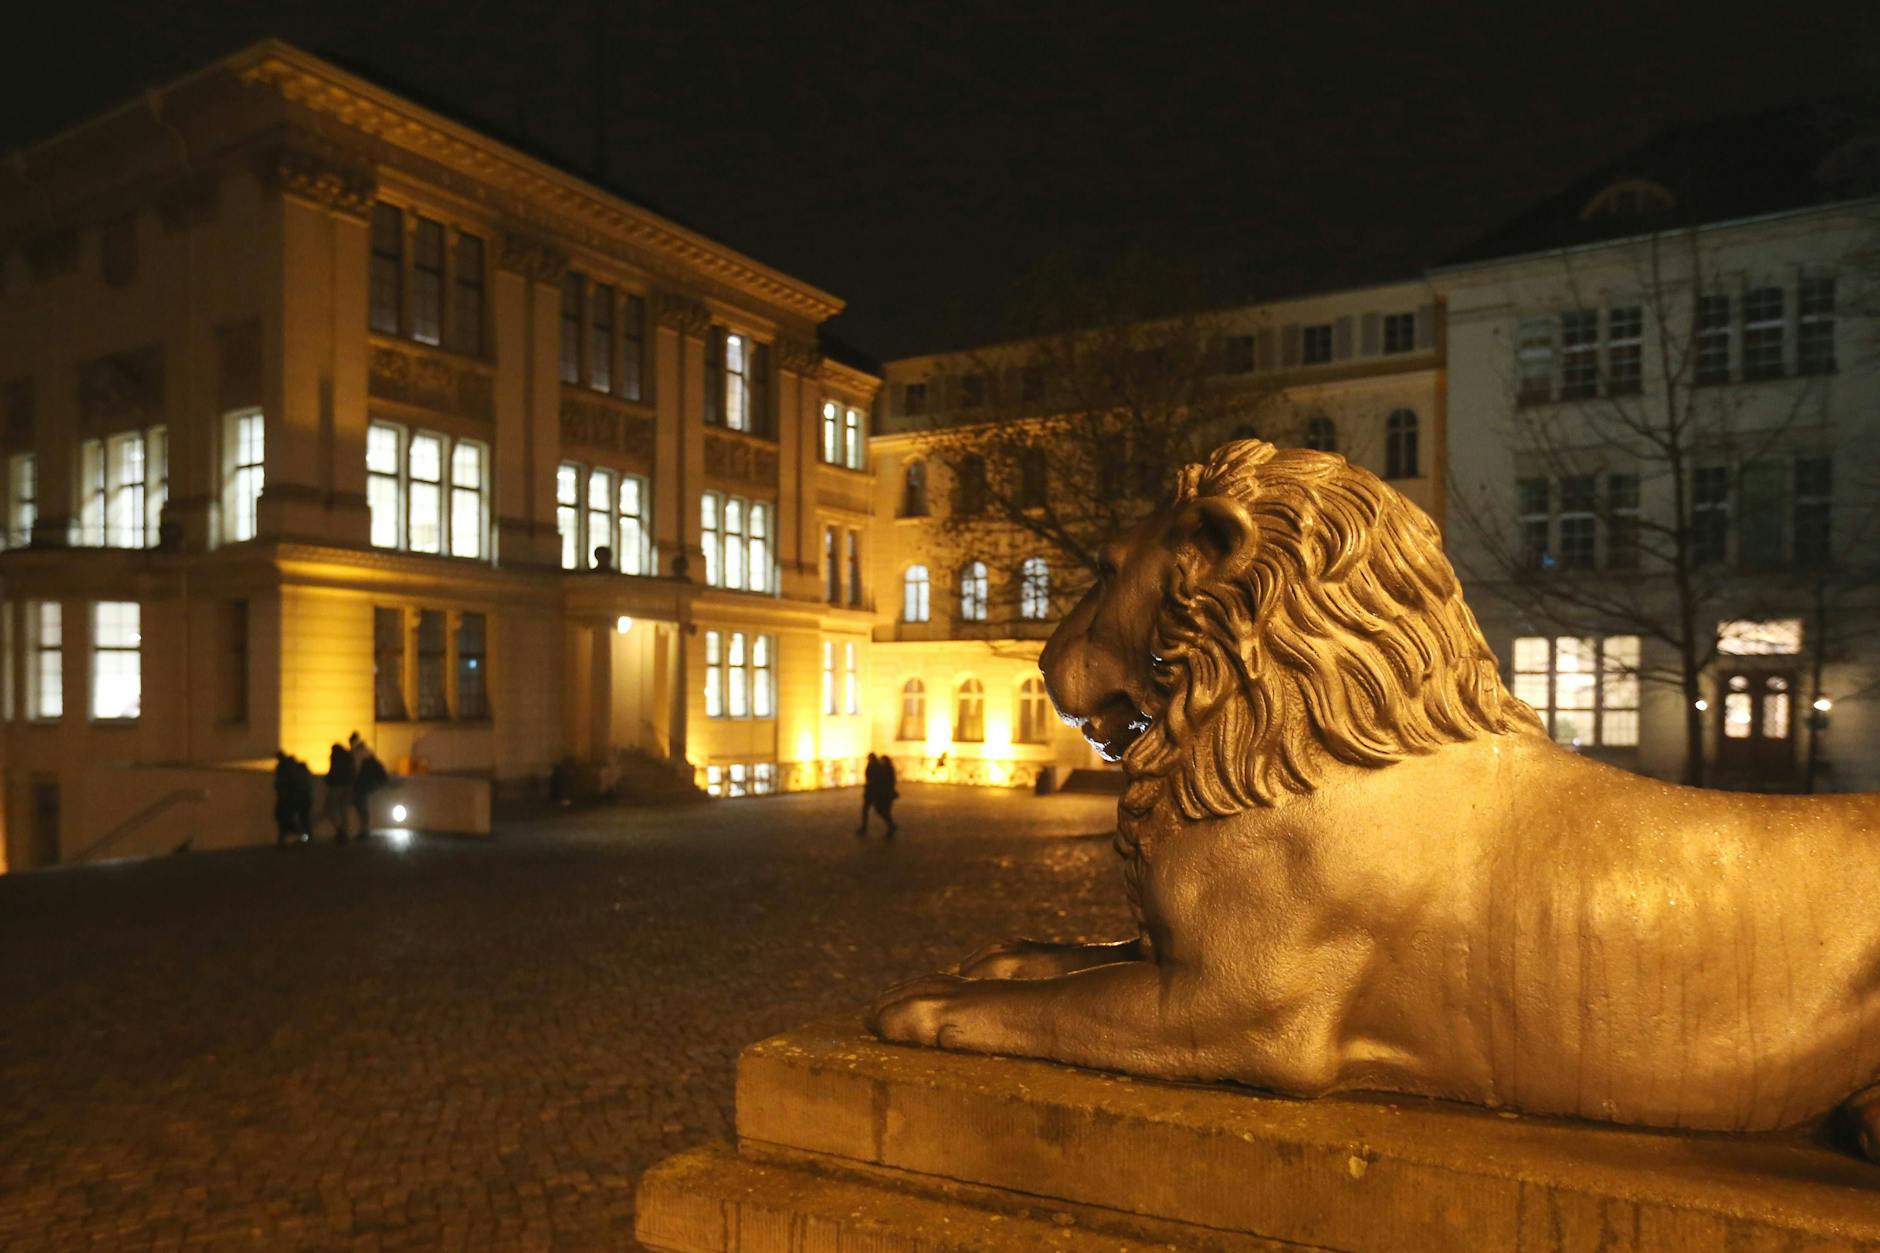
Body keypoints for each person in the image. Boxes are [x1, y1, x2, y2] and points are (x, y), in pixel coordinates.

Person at [353, 738, 389, 837]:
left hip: (361, 785)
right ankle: (365, 828)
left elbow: (356, 770)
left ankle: (364, 829)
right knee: (364, 807)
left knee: (361, 807)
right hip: (368, 784)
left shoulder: (359, 756)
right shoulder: (370, 755)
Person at [325, 743, 355, 843]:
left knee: (329, 808)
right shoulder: (348, 757)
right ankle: (344, 832)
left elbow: (332, 772)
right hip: (348, 786)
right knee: (343, 810)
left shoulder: (335, 758)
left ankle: (340, 831)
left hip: (336, 786)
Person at [273, 752, 303, 846]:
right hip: (289, 799)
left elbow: (281, 783)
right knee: (288, 820)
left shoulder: (282, 769)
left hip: (284, 799)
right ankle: (299, 835)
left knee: (284, 820)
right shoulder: (290, 770)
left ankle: (282, 839)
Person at [873, 754, 899, 838]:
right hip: (884, 794)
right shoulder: (885, 769)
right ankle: (891, 826)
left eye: (882, 760)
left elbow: (888, 781)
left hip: (886, 794)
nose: (881, 762)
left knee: (883, 810)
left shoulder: (887, 769)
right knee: (883, 810)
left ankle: (890, 828)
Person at [856, 753, 879, 837]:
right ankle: (864, 826)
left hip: (874, 791)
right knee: (865, 810)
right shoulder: (871, 765)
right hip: (870, 791)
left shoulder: (875, 766)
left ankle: (891, 825)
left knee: (879, 810)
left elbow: (875, 778)